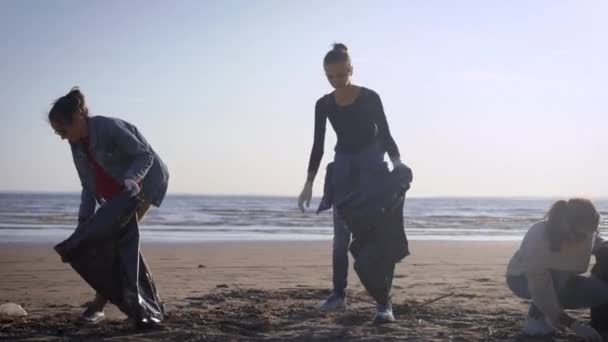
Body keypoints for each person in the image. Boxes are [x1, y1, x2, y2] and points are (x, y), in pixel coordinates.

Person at [297, 43, 409, 321]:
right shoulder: (323, 104)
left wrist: (397, 164)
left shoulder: (370, 97)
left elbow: (385, 133)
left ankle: (384, 304)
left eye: (339, 74)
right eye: (329, 76)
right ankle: (338, 294)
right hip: (344, 172)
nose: (335, 80)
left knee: (378, 238)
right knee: (340, 239)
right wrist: (309, 182)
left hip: (373, 170)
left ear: (350, 69)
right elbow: (318, 145)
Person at [48, 87, 169, 323]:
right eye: (57, 133)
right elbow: (87, 186)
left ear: (78, 117)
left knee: (115, 243)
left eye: (63, 129)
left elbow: (145, 156)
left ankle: (100, 307)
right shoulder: (76, 144)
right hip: (116, 196)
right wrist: (83, 223)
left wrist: (132, 179)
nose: (62, 136)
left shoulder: (108, 127)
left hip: (142, 186)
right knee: (114, 243)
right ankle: (151, 302)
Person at [506, 198, 608, 341]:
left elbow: (594, 240)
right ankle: (536, 321)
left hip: (563, 279)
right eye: (585, 233)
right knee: (555, 278)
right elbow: (540, 287)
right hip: (523, 279)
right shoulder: (539, 236)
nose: (588, 237)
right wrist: (573, 324)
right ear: (568, 226)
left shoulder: (586, 231)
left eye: (593, 230)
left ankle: (601, 327)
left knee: (603, 291)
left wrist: (604, 245)